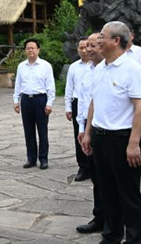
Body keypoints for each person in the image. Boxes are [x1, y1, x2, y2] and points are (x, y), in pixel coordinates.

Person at [81, 22, 141, 244]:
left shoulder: (132, 69)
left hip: (123, 139)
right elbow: (93, 103)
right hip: (100, 137)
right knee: (107, 191)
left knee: (128, 195)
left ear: (116, 41)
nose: (98, 41)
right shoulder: (99, 69)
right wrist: (88, 133)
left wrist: (133, 144)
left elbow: (140, 107)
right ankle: (111, 238)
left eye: (102, 37)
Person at [75, 32, 105, 234]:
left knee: (109, 179)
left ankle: (114, 222)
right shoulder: (86, 71)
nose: (89, 50)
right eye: (87, 46)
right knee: (96, 177)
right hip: (90, 127)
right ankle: (99, 217)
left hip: (111, 131)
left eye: (94, 45)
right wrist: (82, 129)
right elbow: (84, 102)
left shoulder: (118, 69)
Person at [13, 38, 56, 170]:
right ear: (25, 50)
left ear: (38, 50)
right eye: (28, 48)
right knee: (28, 131)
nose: (30, 50)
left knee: (42, 131)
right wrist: (16, 100)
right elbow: (18, 85)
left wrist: (49, 103)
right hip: (26, 100)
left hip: (40, 100)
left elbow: (50, 86)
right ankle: (31, 159)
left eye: (33, 47)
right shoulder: (21, 66)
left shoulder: (45, 66)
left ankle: (43, 159)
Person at [65, 37, 91, 180]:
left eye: (86, 46)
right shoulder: (74, 67)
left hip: (92, 103)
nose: (84, 50)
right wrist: (68, 107)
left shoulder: (96, 65)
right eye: (80, 47)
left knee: (93, 134)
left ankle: (94, 165)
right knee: (79, 134)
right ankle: (83, 167)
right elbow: (69, 88)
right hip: (77, 102)